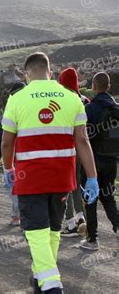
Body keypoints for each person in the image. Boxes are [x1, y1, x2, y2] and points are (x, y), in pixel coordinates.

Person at [1, 52, 98, 293]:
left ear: (27, 73)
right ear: (50, 71)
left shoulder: (17, 99)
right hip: (62, 179)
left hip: (30, 179)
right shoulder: (71, 98)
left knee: (35, 232)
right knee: (53, 231)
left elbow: (6, 143)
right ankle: (38, 276)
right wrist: (93, 177)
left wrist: (8, 168)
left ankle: (51, 284)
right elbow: (83, 141)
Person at [80, 72, 119, 251]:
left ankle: (92, 240)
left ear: (94, 87)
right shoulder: (116, 108)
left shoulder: (89, 109)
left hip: (92, 162)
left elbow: (83, 137)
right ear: (109, 86)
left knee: (90, 199)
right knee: (108, 197)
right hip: (112, 161)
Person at [57, 68, 88, 237]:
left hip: (65, 150)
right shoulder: (84, 100)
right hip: (82, 149)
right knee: (76, 185)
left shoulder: (62, 101)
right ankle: (81, 217)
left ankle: (70, 225)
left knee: (65, 186)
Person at [0, 82, 26, 226]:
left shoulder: (10, 109)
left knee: (13, 186)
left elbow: (2, 137)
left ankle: (16, 215)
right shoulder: (32, 106)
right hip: (30, 156)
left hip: (13, 157)